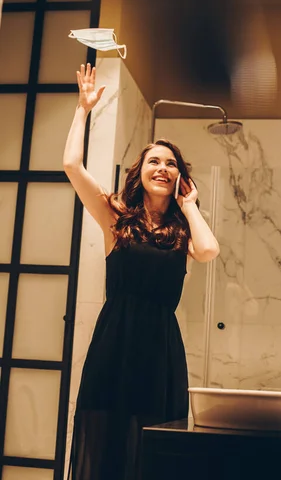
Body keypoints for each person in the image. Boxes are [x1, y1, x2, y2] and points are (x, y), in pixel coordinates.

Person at [64, 63, 220, 480]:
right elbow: (71, 166)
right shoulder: (117, 217)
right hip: (113, 342)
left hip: (160, 350)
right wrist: (84, 108)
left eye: (171, 164)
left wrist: (190, 207)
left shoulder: (184, 232)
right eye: (155, 161)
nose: (163, 168)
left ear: (179, 178)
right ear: (141, 171)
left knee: (151, 448)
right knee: (106, 436)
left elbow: (208, 251)